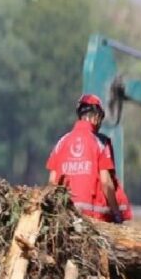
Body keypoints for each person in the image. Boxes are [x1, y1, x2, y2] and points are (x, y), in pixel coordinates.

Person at [46, 94, 126, 223]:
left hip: (65, 216)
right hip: (95, 219)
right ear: (95, 117)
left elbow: (52, 182)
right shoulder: (101, 142)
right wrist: (117, 214)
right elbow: (106, 182)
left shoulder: (62, 142)